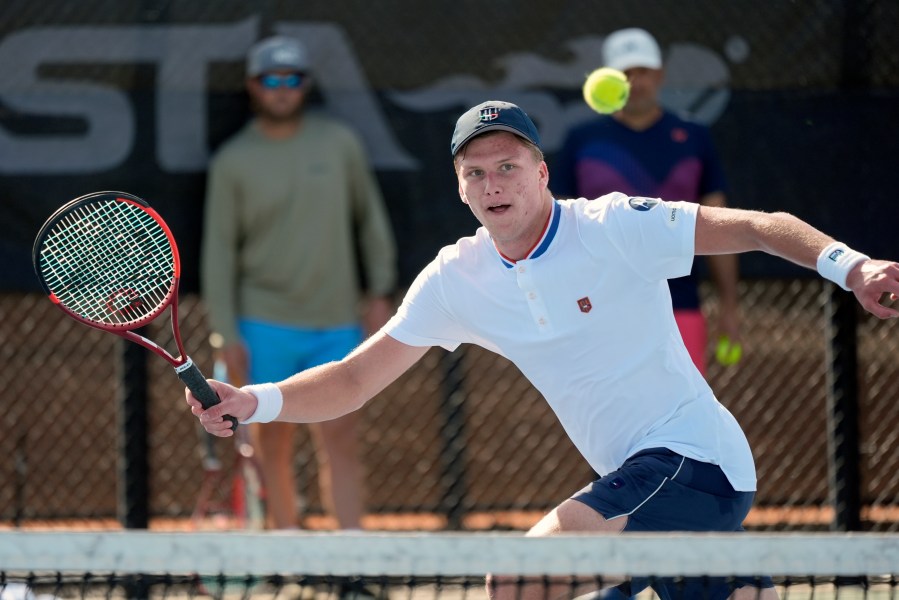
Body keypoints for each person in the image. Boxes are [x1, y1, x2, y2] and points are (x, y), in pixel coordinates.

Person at [190, 100, 899, 599]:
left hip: (696, 461)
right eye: (475, 172)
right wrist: (253, 402)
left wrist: (852, 266)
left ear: (541, 173)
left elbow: (756, 225)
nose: (492, 183)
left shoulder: (613, 226)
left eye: (507, 166)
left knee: (518, 581)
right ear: (460, 189)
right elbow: (352, 381)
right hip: (645, 490)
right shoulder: (454, 279)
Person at [201, 35, 398, 531]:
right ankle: (291, 562)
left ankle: (354, 567)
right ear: (253, 86)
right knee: (272, 445)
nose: (283, 89)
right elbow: (218, 255)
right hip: (263, 323)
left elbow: (369, 221)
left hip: (335, 323)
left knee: (342, 442)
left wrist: (379, 292)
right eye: (272, 79)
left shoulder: (339, 144)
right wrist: (227, 333)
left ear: (305, 85)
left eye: (293, 79)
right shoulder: (233, 161)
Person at [554, 27, 739, 374]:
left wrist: (729, 305)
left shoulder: (695, 137)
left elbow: (718, 220)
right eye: (625, 73)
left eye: (644, 71)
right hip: (599, 307)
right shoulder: (580, 140)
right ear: (609, 79)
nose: (635, 81)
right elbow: (558, 227)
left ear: (660, 75)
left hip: (680, 304)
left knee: (684, 414)